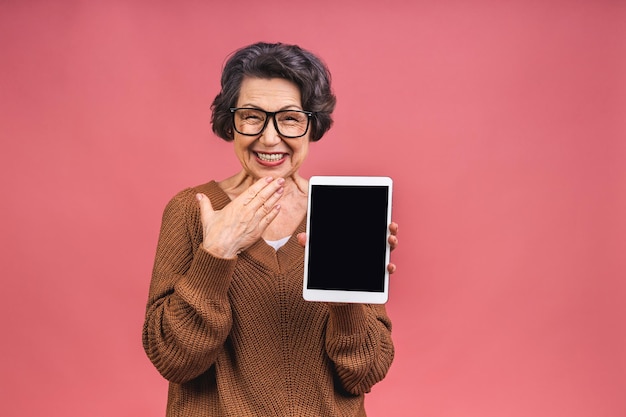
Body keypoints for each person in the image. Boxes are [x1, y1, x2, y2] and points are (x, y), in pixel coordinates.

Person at [142, 42, 399, 417]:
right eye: (252, 116)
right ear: (231, 122)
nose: (269, 137)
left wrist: (347, 301)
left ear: (313, 125)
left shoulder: (346, 213)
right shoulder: (191, 210)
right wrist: (216, 253)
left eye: (290, 118)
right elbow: (174, 360)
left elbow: (364, 373)